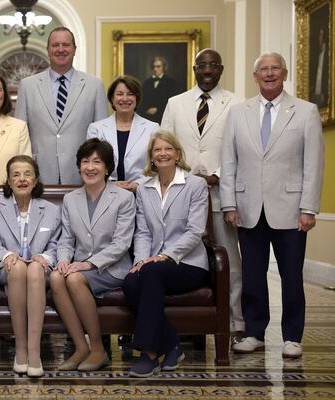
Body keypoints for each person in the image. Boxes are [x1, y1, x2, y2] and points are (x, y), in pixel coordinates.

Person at [221, 52, 325, 359]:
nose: (269, 73)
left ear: (285, 73)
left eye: (274, 68)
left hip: (291, 209)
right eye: (263, 69)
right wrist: (229, 203)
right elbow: (229, 161)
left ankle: (292, 336)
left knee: (291, 275)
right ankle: (254, 333)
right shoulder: (238, 113)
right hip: (248, 207)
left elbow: (314, 164)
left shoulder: (305, 111)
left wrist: (309, 208)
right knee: (252, 274)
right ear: (255, 77)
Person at [161, 48, 245, 343]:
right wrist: (185, 175)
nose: (207, 70)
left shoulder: (237, 104)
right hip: (182, 194)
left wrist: (216, 175)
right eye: (202, 65)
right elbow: (165, 145)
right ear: (194, 69)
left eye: (213, 65)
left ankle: (235, 323)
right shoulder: (176, 103)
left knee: (229, 261)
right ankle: (188, 325)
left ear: (221, 69)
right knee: (183, 256)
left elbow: (240, 147)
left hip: (223, 194)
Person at [122, 131, 209, 377]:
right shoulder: (144, 189)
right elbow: (142, 233)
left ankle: (148, 354)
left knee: (150, 273)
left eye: (168, 148)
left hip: (188, 263)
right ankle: (171, 344)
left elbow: (195, 231)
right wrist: (139, 261)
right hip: (152, 264)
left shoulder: (195, 185)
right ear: (151, 157)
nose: (163, 153)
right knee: (130, 282)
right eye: (157, 150)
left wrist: (165, 256)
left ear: (178, 153)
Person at [51, 138, 135, 371]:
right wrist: (64, 260)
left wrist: (87, 264)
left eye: (97, 162)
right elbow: (66, 239)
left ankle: (98, 349)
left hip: (113, 267)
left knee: (75, 278)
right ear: (79, 166)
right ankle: (81, 348)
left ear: (107, 168)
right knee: (57, 276)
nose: (90, 167)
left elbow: (121, 244)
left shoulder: (124, 198)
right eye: (85, 161)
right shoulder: (71, 199)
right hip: (79, 266)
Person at [0, 155, 61, 377]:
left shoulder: (50, 209)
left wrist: (47, 258)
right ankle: (21, 349)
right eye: (16, 175)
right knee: (19, 267)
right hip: (8, 268)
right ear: (9, 181)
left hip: (40, 272)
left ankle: (34, 351)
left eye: (27, 174)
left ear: (36, 179)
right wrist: (6, 255)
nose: (22, 179)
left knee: (33, 268)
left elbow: (58, 244)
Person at [15, 26, 108, 185]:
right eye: (55, 45)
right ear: (48, 49)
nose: (61, 49)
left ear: (74, 49)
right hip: (38, 175)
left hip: (83, 175)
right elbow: (19, 135)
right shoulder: (27, 86)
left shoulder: (94, 85)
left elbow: (102, 136)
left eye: (66, 45)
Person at [87, 75, 158, 192]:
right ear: (112, 99)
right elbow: (91, 165)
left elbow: (157, 165)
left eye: (130, 94)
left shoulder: (153, 128)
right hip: (105, 193)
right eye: (119, 94)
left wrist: (138, 184)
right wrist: (110, 184)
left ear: (137, 98)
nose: (125, 99)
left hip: (143, 193)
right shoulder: (96, 129)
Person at [138, 56, 178, 124]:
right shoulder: (146, 83)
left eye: (158, 66)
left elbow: (173, 102)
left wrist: (158, 110)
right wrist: (146, 110)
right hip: (148, 119)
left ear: (163, 68)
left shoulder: (171, 83)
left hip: (164, 119)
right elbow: (141, 101)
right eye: (154, 67)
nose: (155, 69)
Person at [311, 28, 328, 108]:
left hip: (325, 93)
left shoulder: (328, 53)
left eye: (321, 35)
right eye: (319, 35)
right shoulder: (318, 53)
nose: (319, 38)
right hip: (317, 94)